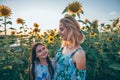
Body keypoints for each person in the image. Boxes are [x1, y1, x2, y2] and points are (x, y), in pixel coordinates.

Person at [54, 16, 86, 80]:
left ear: (71, 29)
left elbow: (80, 78)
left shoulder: (79, 54)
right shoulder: (64, 46)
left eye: (61, 29)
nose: (59, 32)